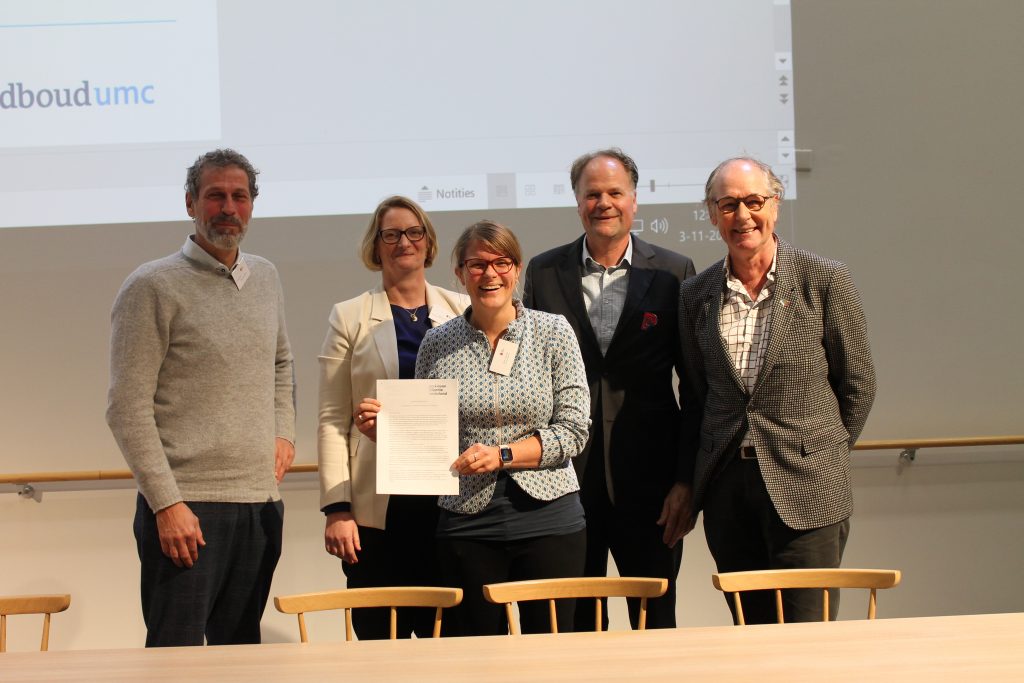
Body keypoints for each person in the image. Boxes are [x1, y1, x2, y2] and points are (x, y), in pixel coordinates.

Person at [362, 220, 591, 635]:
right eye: (478, 264)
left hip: (550, 518)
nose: (490, 274)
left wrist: (503, 455)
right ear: (460, 272)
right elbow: (430, 435)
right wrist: (390, 433)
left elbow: (574, 430)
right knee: (475, 655)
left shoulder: (553, 332)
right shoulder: (437, 342)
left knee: (553, 652)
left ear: (516, 269)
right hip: (467, 522)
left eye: (501, 263)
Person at [106, 148, 296, 647]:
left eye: (239, 196)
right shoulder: (151, 286)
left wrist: (284, 432)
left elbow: (281, 363)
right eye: (215, 196)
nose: (228, 208)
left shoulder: (266, 276)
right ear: (190, 203)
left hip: (259, 504)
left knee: (241, 656)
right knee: (176, 658)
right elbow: (125, 407)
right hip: (186, 507)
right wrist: (167, 503)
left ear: (252, 205)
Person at [677, 157, 876, 624]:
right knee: (750, 632)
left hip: (809, 485)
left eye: (754, 201)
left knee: (809, 633)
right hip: (728, 491)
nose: (742, 215)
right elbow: (697, 393)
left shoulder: (823, 278)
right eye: (728, 204)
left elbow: (858, 382)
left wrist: (823, 452)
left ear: (775, 204)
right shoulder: (695, 294)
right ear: (712, 214)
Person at [522, 148, 695, 630]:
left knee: (655, 623)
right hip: (565, 485)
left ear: (634, 200)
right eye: (592, 194)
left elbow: (694, 386)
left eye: (614, 193)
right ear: (577, 202)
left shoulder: (674, 272)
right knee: (576, 627)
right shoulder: (543, 271)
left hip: (653, 486)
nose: (603, 203)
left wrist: (686, 482)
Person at [317, 196, 467, 639]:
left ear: (428, 242)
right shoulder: (349, 316)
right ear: (376, 245)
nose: (404, 241)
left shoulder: (463, 309)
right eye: (391, 234)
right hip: (377, 511)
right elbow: (332, 418)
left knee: (453, 645)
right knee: (380, 646)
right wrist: (337, 509)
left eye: (414, 232)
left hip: (451, 506)